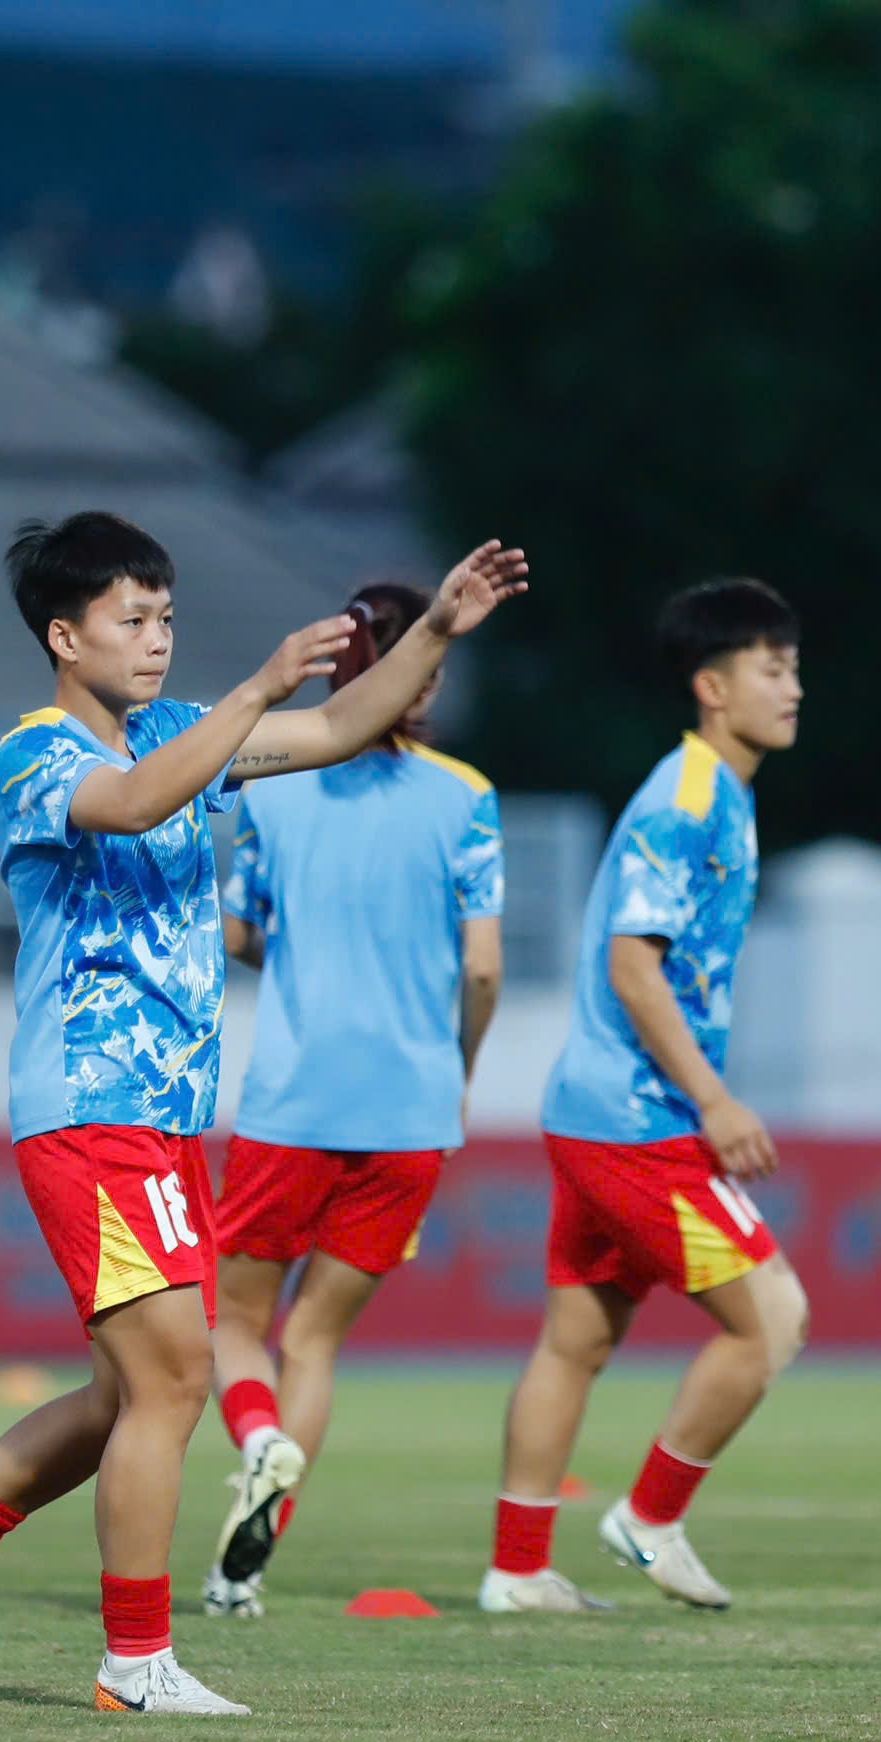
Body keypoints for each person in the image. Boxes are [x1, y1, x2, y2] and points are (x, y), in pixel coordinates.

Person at [0, 512, 524, 1714]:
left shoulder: (178, 730)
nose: (158, 639)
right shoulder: (34, 752)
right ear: (64, 638)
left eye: (166, 617)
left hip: (164, 1123)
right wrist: (256, 686)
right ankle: (134, 1663)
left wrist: (433, 630)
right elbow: (127, 803)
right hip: (88, 1108)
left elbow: (337, 727)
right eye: (132, 619)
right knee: (173, 1381)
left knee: (126, 1397)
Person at [480, 580, 808, 1615]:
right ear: (713, 686)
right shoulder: (688, 799)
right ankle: (650, 1518)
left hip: (598, 1110)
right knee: (772, 1319)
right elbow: (634, 968)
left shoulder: (724, 793)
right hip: (636, 1119)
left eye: (793, 668)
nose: (793, 688)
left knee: (575, 1342)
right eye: (771, 669)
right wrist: (716, 1101)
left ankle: (517, 1570)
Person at [200, 582, 506, 1620]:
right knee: (316, 1341)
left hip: (294, 1099)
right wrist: (459, 1072)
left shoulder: (275, 788)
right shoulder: (466, 796)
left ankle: (257, 1439)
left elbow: (239, 931)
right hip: (412, 1111)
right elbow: (483, 969)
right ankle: (245, 1568)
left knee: (232, 1320)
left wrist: (296, 948)